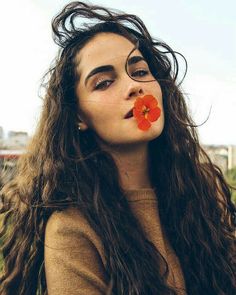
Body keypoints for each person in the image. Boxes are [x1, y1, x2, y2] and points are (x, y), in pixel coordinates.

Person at [0, 1, 235, 294]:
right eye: (104, 82)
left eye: (139, 72)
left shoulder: (204, 189)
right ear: (78, 117)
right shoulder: (72, 230)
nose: (135, 87)